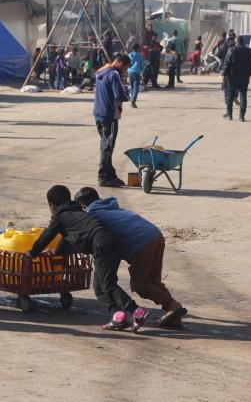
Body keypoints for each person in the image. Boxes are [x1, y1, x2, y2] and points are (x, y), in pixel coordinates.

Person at [28, 185, 148, 332]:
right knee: (99, 285)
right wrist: (56, 252)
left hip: (102, 244)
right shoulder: (77, 211)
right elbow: (67, 237)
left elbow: (46, 236)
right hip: (111, 242)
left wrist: (31, 253)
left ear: (51, 205)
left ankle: (136, 311)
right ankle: (118, 317)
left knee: (108, 284)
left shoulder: (59, 216)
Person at [75, 187, 187, 329]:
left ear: (82, 207)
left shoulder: (92, 214)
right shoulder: (108, 205)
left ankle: (172, 306)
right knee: (153, 281)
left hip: (140, 243)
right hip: (155, 234)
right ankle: (174, 316)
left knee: (140, 285)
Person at [93, 54, 130, 188]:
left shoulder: (100, 72)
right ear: (120, 63)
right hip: (109, 115)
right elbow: (120, 95)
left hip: (98, 113)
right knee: (107, 148)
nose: (124, 71)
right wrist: (128, 94)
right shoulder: (114, 74)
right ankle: (103, 177)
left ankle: (110, 174)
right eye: (125, 68)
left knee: (105, 145)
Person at [223, 35, 251, 122]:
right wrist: (248, 74)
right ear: (243, 42)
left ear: (236, 41)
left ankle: (229, 114)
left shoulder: (232, 50)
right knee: (243, 95)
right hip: (244, 76)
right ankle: (242, 116)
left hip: (233, 76)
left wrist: (224, 74)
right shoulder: (250, 51)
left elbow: (227, 62)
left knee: (230, 95)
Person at [127, 43, 144, 108]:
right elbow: (142, 65)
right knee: (135, 88)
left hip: (130, 72)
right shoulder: (140, 56)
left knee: (131, 87)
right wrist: (142, 69)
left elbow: (127, 63)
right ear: (138, 48)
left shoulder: (129, 55)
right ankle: (133, 101)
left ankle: (132, 99)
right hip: (136, 73)